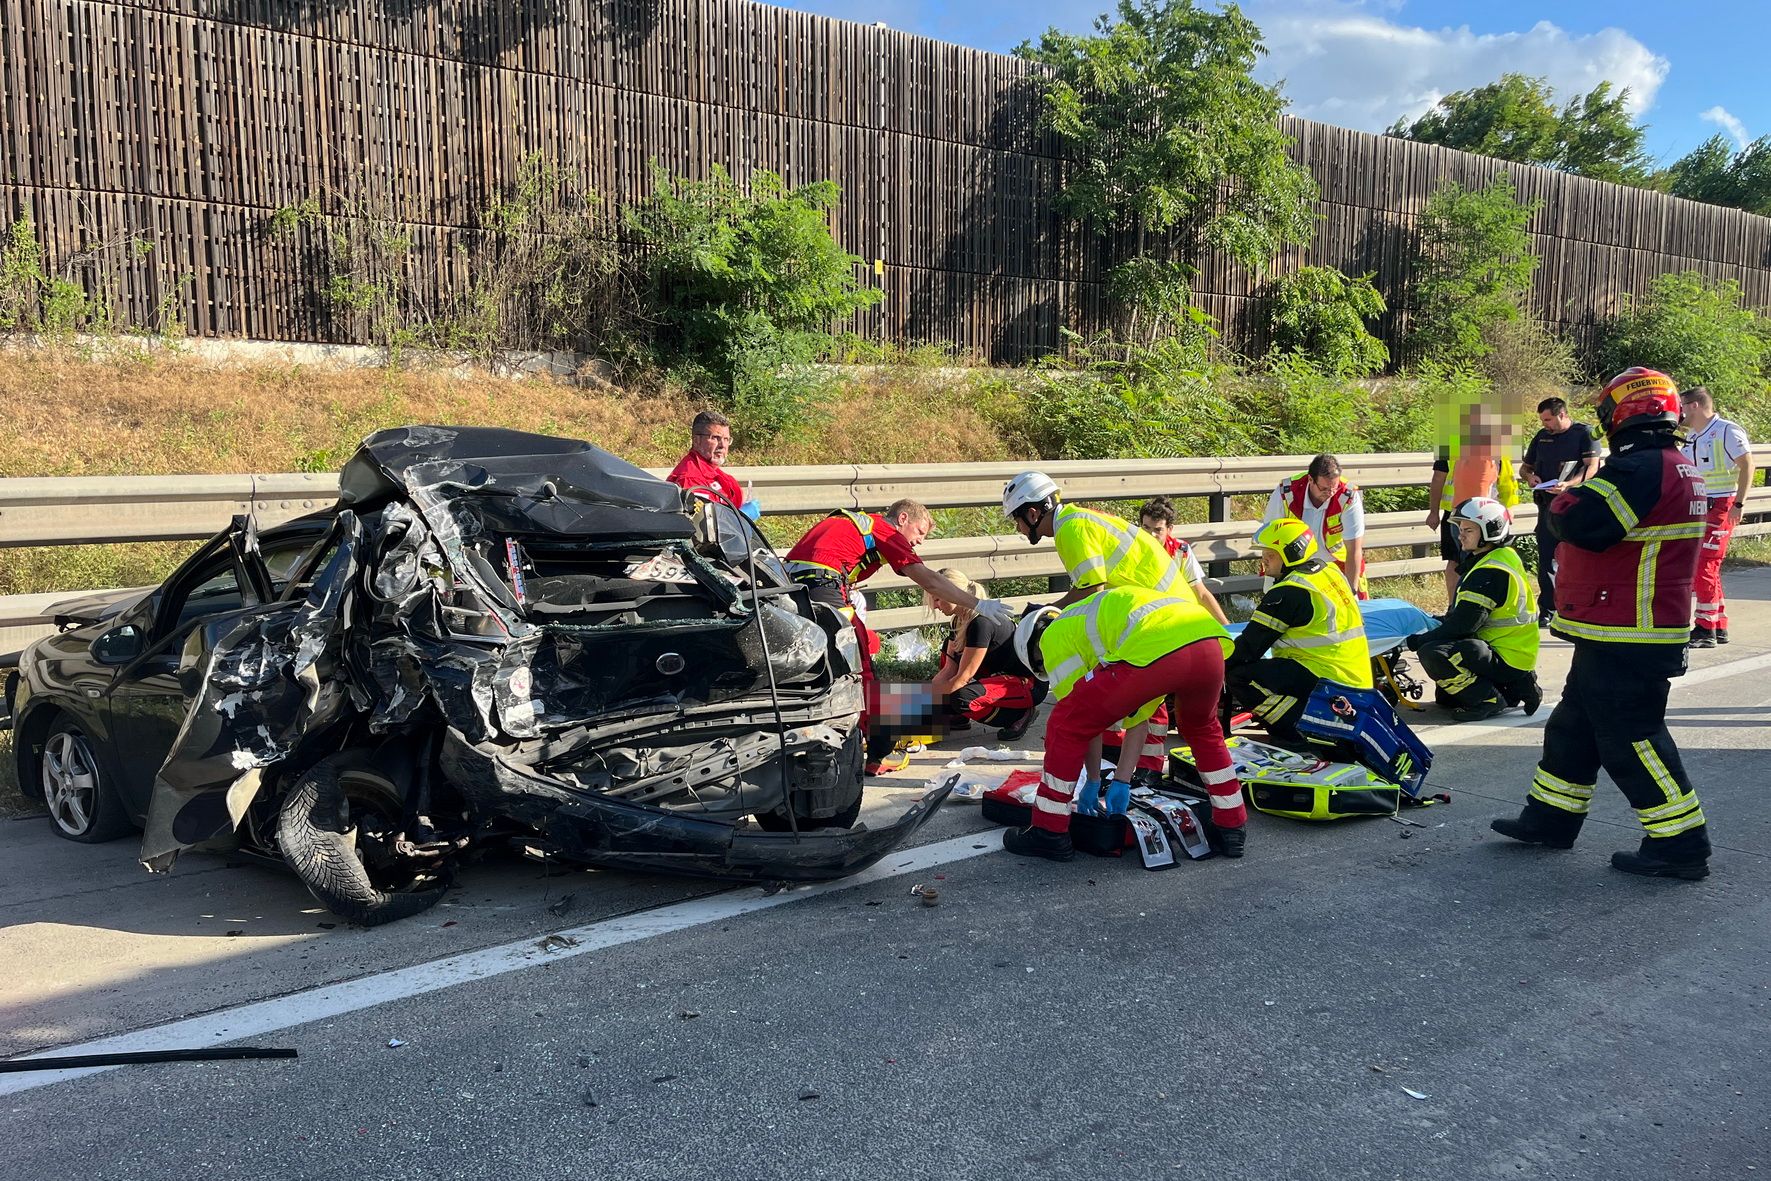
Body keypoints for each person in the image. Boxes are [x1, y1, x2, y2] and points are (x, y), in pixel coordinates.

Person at [1491, 367, 1713, 880]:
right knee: (1575, 725)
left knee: (1632, 735)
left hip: (1630, 629)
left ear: (1620, 414)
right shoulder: (1673, 464)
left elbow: (1581, 521)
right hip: (1621, 626)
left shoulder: (1639, 469)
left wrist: (1556, 497)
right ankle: (1551, 818)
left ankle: (1681, 844)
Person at [1001, 587, 1249, 862]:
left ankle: (1048, 830)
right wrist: (1121, 780)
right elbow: (1138, 719)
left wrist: (1093, 782)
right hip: (1206, 639)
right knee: (1202, 730)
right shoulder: (1094, 625)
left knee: (1064, 724)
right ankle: (1231, 826)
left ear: (1034, 649)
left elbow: (1081, 724)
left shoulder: (1053, 638)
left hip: (1158, 647)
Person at [785, 501, 1015, 775]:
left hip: (793, 589)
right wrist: (978, 604)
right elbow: (928, 579)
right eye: (919, 531)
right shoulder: (886, 531)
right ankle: (878, 756)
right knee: (861, 670)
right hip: (823, 587)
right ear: (902, 518)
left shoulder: (854, 527)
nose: (918, 541)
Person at [1002, 473, 1201, 790]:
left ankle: (1146, 770)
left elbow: (1091, 588)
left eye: (1017, 519)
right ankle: (1136, 768)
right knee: (1143, 693)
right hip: (1166, 608)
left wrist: (1047, 609)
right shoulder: (1076, 521)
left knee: (1148, 693)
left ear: (1033, 512)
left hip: (1161, 613)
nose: (1018, 527)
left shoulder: (1070, 529)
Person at [1224, 518, 1372, 743]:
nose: (1264, 559)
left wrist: (1211, 664)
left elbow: (1248, 648)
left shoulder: (1290, 591)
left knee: (1239, 675)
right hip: (1354, 678)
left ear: (1292, 553)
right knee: (1277, 672)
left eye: (1271, 554)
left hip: (1325, 677)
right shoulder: (1329, 571)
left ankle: (1294, 730)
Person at [1404, 497, 1542, 721]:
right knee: (1446, 698)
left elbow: (1464, 625)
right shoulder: (1502, 556)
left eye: (1468, 530)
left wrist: (1417, 640)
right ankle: (1517, 685)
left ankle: (1487, 699)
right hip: (1514, 652)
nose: (1460, 535)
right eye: (1460, 529)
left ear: (1491, 530)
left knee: (1433, 652)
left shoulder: (1488, 572)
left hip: (1504, 654)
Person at [923, 569, 1043, 742]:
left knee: (962, 698)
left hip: (1026, 684)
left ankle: (1019, 715)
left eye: (937, 599)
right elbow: (948, 670)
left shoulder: (981, 623)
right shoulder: (958, 620)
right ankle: (959, 715)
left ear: (952, 593)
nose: (935, 606)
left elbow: (962, 679)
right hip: (998, 677)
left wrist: (922, 706)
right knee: (946, 684)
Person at [1679, 386, 1753, 647]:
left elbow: (1747, 464)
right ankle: (1718, 624)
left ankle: (1704, 628)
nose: (1680, 411)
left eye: (1682, 405)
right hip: (1700, 504)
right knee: (1706, 564)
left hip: (1722, 504)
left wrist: (1739, 503)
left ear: (1695, 406)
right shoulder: (1691, 435)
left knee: (1704, 564)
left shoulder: (1726, 430)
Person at [1518, 397, 1602, 627]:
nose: (1545, 424)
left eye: (1548, 419)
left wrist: (1569, 484)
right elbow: (1525, 467)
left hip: (1575, 505)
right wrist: (1530, 477)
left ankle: (1581, 606)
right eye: (1542, 420)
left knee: (1577, 557)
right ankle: (1549, 607)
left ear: (1562, 414)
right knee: (1546, 557)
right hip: (1547, 505)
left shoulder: (1584, 433)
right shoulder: (1542, 436)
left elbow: (1592, 467)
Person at [1425, 404, 1521, 600]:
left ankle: (1456, 607)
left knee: (1458, 562)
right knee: (1472, 561)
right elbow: (1507, 483)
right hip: (1477, 517)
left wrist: (1433, 512)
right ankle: (1461, 606)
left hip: (1462, 515)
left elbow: (1506, 482)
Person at [1261, 454, 1368, 597]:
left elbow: (1354, 548)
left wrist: (1351, 592)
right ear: (1310, 480)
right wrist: (1272, 589)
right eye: (1324, 489)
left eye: (1334, 488)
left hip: (1335, 565)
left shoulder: (1347, 496)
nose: (1330, 493)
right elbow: (1270, 541)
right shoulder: (1286, 493)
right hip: (1294, 565)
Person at [1136, 496, 1229, 624]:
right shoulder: (1131, 549)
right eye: (1146, 528)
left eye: (1158, 530)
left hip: (1174, 615)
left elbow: (1200, 593)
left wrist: (1227, 627)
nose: (1151, 535)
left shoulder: (1181, 551)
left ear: (1170, 529)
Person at [666, 410, 746, 512]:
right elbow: (704, 523)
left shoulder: (717, 475)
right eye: (716, 438)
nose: (722, 445)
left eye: (726, 439)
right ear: (696, 440)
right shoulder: (691, 478)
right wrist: (742, 518)